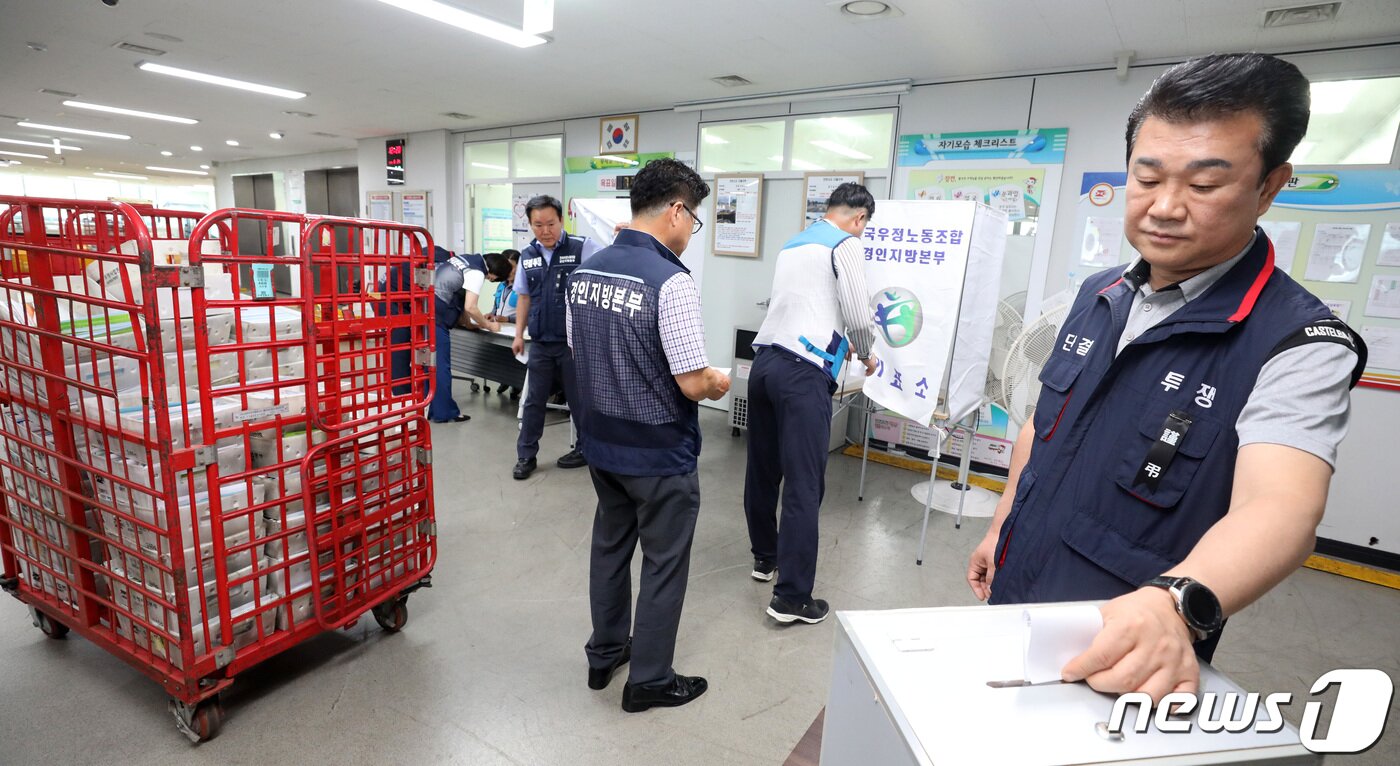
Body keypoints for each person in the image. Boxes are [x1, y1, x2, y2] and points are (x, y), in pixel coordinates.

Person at [966, 53, 1367, 702]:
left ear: (1270, 185)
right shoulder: (1099, 293)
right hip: (1020, 590)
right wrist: (999, 524)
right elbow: (1045, 423)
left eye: (1204, 186)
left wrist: (1172, 604)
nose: (1166, 207)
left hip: (1129, 645)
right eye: (1146, 178)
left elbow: (1283, 507)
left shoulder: (1298, 342)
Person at [566, 158, 729, 712]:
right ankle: (651, 679)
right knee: (664, 560)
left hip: (601, 444)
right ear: (677, 211)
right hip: (658, 453)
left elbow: (579, 350)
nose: (691, 233)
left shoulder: (585, 272)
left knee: (610, 546)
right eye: (695, 220)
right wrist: (719, 381)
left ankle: (605, 652)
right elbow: (690, 382)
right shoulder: (670, 282)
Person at [743, 183, 879, 626]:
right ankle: (791, 599)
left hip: (764, 364)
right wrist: (868, 351)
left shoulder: (794, 243)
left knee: (763, 472)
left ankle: (766, 559)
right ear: (859, 218)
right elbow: (858, 315)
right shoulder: (846, 245)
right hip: (803, 372)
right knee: (804, 485)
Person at [511, 196, 602, 480]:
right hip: (540, 343)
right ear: (530, 224)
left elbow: (603, 279)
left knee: (579, 400)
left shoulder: (582, 247)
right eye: (538, 224)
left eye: (550, 223)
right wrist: (518, 335)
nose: (545, 230)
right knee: (534, 401)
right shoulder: (527, 255)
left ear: (561, 220)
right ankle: (526, 456)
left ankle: (586, 450)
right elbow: (524, 297)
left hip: (573, 345)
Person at [429, 246, 512, 423]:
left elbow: (459, 297)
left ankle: (431, 408)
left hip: (426, 312)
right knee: (441, 366)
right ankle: (445, 413)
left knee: (429, 366)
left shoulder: (464, 260)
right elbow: (471, 307)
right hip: (436, 318)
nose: (491, 280)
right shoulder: (477, 273)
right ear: (494, 273)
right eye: (495, 279)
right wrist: (489, 325)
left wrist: (468, 323)